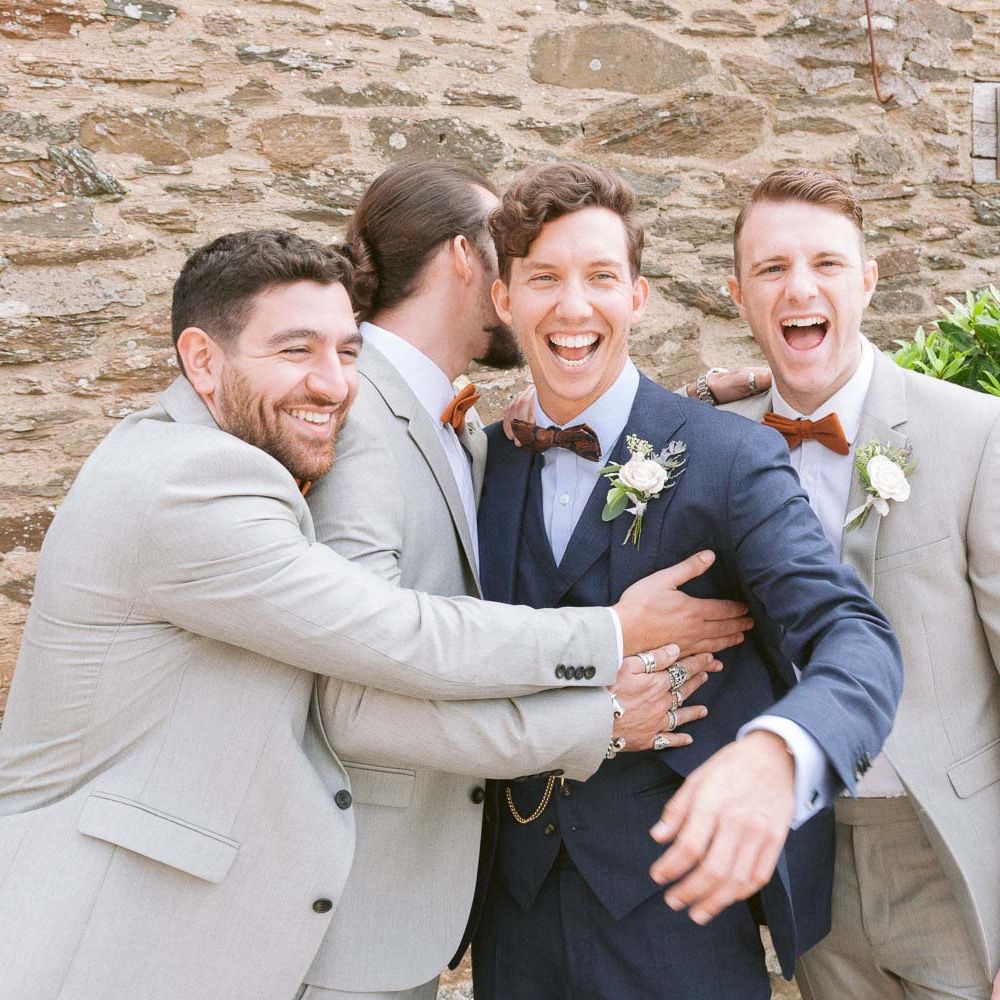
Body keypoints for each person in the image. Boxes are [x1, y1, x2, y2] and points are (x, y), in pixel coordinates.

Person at [0, 229, 748, 1000]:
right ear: (201, 360)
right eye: (295, 352)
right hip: (107, 938)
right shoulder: (190, 481)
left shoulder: (223, 460)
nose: (332, 386)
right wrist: (613, 634)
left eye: (347, 353)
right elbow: (395, 631)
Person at [299, 162, 740, 1000]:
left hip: (452, 899)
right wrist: (599, 706)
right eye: (520, 258)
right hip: (360, 898)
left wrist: (711, 400)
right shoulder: (362, 420)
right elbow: (352, 690)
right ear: (472, 261)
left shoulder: (456, 426)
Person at [468, 162, 902, 999]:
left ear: (637, 297)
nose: (572, 307)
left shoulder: (731, 456)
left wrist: (781, 753)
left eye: (600, 277)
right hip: (512, 912)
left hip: (679, 913)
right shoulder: (481, 466)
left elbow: (853, 635)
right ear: (503, 300)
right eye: (544, 280)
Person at [712, 168, 1000, 1000]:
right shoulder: (715, 446)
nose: (800, 287)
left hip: (950, 848)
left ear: (867, 281)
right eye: (771, 269)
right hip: (802, 852)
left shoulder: (972, 434)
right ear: (738, 295)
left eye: (827, 264)